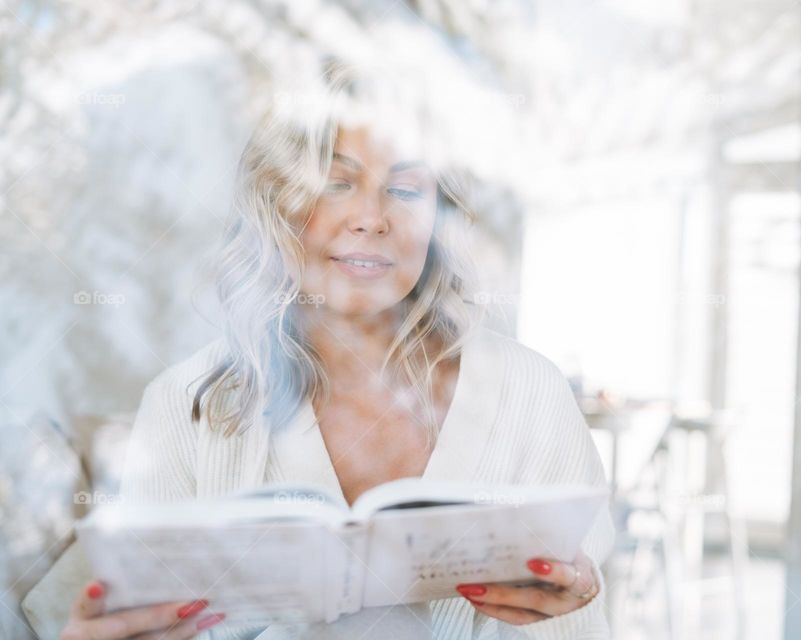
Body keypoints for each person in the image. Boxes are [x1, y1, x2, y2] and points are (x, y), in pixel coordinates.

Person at [22, 61, 615, 640]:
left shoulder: (530, 392)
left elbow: (579, 625)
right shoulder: (185, 404)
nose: (371, 218)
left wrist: (572, 599)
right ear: (278, 204)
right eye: (335, 183)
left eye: (405, 189)